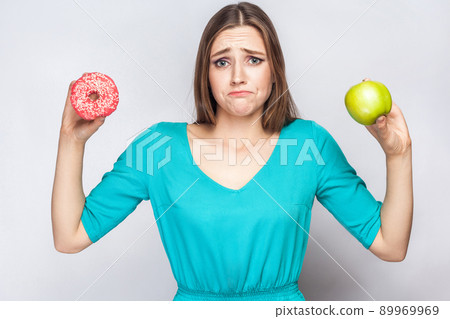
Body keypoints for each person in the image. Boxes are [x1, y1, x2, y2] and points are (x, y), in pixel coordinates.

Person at [51, 2, 413, 301]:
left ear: (275, 71)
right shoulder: (158, 147)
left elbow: (390, 245)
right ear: (205, 74)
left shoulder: (309, 145)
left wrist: (398, 155)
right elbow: (70, 236)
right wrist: (72, 139)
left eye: (254, 59)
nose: (238, 75)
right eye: (222, 62)